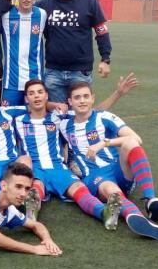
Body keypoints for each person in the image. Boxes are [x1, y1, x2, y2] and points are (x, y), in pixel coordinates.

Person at [16, 78, 136, 228]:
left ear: (47, 96)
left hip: (58, 168)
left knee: (79, 190)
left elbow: (93, 112)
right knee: (36, 188)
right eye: (32, 94)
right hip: (35, 168)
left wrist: (117, 93)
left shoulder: (59, 118)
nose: (37, 96)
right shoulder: (17, 119)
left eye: (40, 92)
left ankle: (105, 213)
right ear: (26, 99)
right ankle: (31, 211)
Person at [60, 81, 158, 240]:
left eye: (86, 96)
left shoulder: (104, 117)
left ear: (93, 98)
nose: (82, 101)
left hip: (118, 169)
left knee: (130, 143)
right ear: (70, 102)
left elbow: (136, 138)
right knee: (111, 191)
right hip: (95, 176)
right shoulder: (63, 123)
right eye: (77, 97)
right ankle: (138, 218)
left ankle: (150, 199)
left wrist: (104, 143)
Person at [37, 0, 112, 104]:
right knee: (57, 117)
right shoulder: (44, 5)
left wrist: (105, 59)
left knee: (81, 118)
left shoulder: (90, 1)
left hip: (80, 72)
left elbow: (101, 32)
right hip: (53, 72)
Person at [1, 0, 46, 107]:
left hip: (35, 81)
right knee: (8, 121)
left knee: (35, 121)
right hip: (11, 83)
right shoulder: (6, 16)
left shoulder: (42, 15)